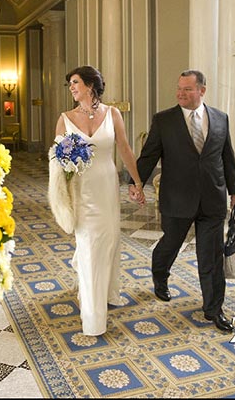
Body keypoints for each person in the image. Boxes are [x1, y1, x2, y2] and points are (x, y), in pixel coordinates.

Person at [129, 69, 235, 332]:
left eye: (187, 89)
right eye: (179, 88)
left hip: (212, 198)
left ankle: (214, 309)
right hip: (176, 197)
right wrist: (136, 184)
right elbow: (149, 156)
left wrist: (234, 191)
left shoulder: (220, 118)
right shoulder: (164, 120)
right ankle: (160, 276)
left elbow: (227, 157)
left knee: (211, 256)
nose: (180, 93)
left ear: (202, 90)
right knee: (170, 243)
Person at [53, 65, 145, 336]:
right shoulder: (65, 119)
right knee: (89, 243)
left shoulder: (112, 114)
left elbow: (125, 149)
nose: (71, 87)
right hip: (81, 190)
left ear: (90, 86)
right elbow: (56, 160)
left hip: (107, 187)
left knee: (108, 240)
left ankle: (106, 290)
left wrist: (137, 183)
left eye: (75, 82)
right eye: (69, 83)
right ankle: (93, 317)